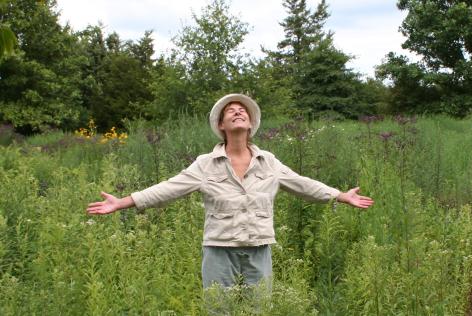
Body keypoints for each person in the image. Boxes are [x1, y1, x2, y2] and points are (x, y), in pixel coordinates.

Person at [86, 93, 374, 311]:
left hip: (258, 249)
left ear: (250, 124)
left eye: (242, 111)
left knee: (258, 309)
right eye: (230, 112)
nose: (237, 113)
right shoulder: (205, 164)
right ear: (222, 125)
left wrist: (339, 195)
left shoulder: (269, 162)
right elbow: (168, 188)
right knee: (219, 310)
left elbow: (303, 184)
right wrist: (122, 202)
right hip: (219, 250)